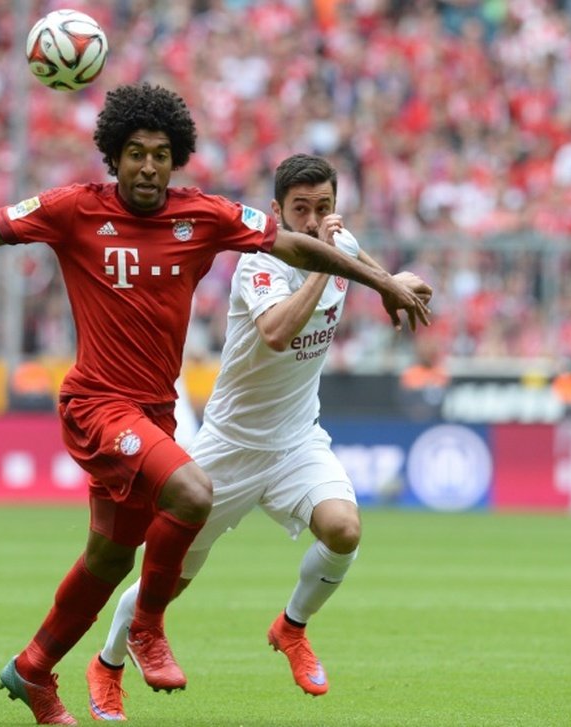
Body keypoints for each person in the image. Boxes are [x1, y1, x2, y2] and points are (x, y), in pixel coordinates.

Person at [0, 84, 430, 726]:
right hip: (96, 405)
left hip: (153, 415)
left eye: (162, 155)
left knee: (110, 559)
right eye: (136, 153)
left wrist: (386, 283)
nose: (148, 166)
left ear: (177, 160)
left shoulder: (204, 216)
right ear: (114, 157)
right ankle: (146, 629)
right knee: (192, 494)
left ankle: (32, 669)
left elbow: (298, 247)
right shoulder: (72, 210)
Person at [87, 154, 433, 721]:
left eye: (325, 208)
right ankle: (107, 664)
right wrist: (327, 263)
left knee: (344, 530)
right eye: (302, 209)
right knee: (167, 582)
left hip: (297, 441)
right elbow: (275, 333)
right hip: (229, 448)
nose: (317, 219)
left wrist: (389, 283)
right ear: (278, 211)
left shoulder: (339, 243)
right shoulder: (258, 263)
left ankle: (291, 628)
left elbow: (362, 263)